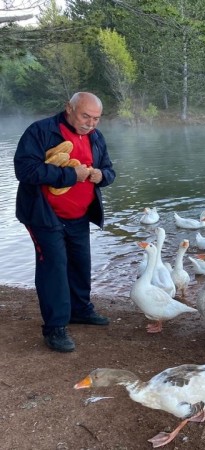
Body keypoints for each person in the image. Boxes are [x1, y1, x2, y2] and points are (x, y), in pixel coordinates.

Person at [14, 92, 116, 353]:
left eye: (96, 118)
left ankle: (80, 310)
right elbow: (24, 170)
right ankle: (55, 327)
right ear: (69, 108)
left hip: (79, 215)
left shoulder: (95, 137)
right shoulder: (41, 131)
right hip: (44, 215)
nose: (91, 123)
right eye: (85, 116)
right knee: (54, 267)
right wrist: (71, 174)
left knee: (81, 263)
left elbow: (109, 171)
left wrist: (101, 176)